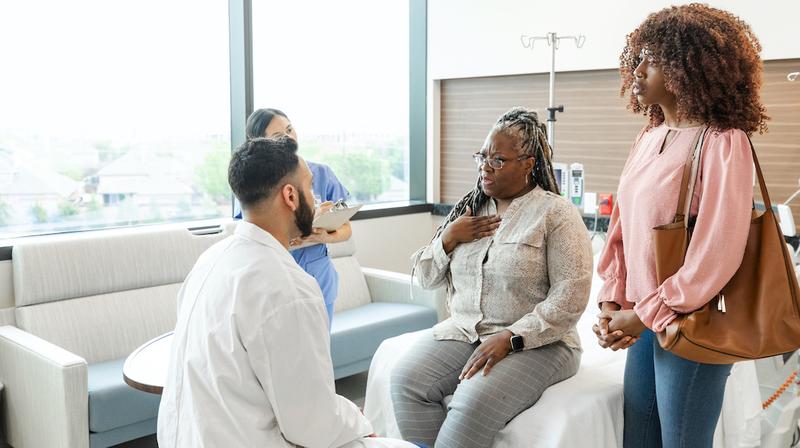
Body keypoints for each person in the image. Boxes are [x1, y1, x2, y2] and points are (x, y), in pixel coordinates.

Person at [158, 136, 414, 448]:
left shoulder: (210, 260)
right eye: (310, 188)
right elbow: (311, 425)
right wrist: (359, 422)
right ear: (290, 196)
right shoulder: (287, 287)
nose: (317, 201)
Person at [592, 5, 768, 447]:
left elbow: (717, 252)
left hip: (690, 323)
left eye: (650, 59)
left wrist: (645, 314)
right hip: (644, 320)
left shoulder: (724, 142)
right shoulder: (647, 138)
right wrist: (613, 301)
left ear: (686, 66)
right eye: (637, 56)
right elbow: (620, 232)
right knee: (640, 441)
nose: (637, 69)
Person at [390, 107, 593, 448]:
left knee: (470, 401)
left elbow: (570, 297)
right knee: (405, 379)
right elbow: (425, 278)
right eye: (481, 157)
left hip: (540, 342)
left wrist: (512, 337)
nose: (485, 166)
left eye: (498, 160)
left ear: (528, 164)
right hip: (467, 330)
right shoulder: (469, 210)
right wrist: (448, 238)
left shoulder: (555, 213)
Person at [240, 108, 351, 327]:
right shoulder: (256, 185)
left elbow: (346, 229)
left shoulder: (319, 174)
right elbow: (253, 236)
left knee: (320, 353)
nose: (289, 138)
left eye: (290, 129)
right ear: (259, 143)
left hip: (319, 276)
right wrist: (299, 236)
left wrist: (325, 237)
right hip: (277, 280)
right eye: (279, 136)